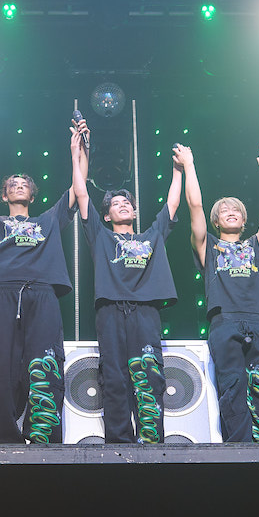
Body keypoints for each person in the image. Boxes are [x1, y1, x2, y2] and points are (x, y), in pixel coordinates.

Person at [0, 103, 79, 444]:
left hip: (42, 293)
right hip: (2, 293)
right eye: (12, 184)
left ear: (32, 193)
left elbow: (78, 189)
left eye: (24, 183)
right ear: (4, 194)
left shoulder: (48, 220)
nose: (18, 185)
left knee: (45, 364)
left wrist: (77, 151)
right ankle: (5, 441)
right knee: (0, 366)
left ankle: (43, 438)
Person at [71, 118, 182, 444]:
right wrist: (78, 154)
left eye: (127, 203)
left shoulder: (151, 236)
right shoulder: (100, 236)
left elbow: (172, 204)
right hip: (110, 311)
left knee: (149, 373)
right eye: (115, 204)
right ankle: (119, 443)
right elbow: (81, 194)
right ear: (107, 215)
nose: (122, 205)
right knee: (115, 376)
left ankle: (152, 441)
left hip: (145, 311)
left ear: (134, 212)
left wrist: (178, 170)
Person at [177, 143, 259, 443]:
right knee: (233, 385)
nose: (230, 212)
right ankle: (239, 445)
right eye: (224, 210)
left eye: (235, 209)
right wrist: (189, 165)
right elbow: (195, 206)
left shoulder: (255, 245)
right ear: (216, 221)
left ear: (244, 219)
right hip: (225, 321)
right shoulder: (208, 245)